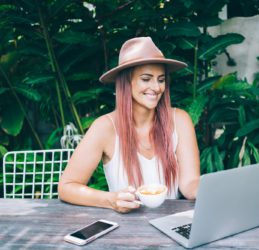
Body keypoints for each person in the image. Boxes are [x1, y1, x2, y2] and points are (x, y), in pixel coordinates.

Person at [58, 37, 200, 213]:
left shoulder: (180, 120)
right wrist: (111, 200)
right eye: (146, 79)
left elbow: (190, 184)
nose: (156, 87)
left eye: (161, 80)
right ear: (127, 82)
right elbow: (66, 187)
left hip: (170, 223)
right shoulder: (105, 127)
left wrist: (210, 190)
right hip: (125, 229)